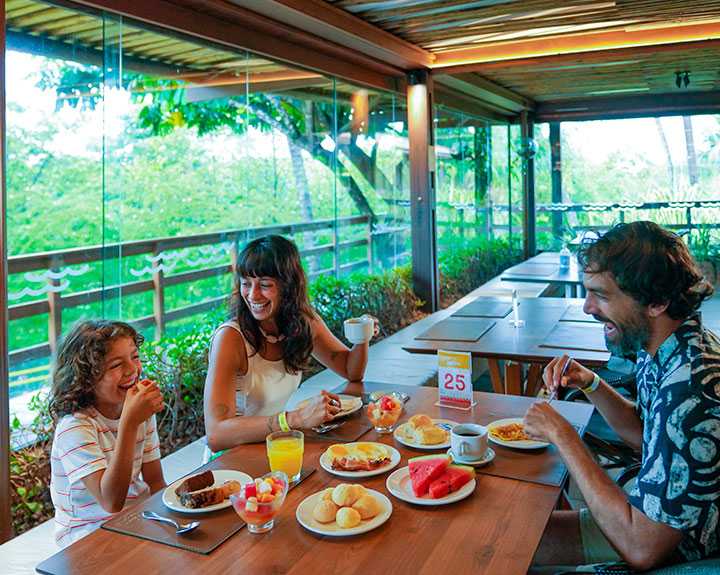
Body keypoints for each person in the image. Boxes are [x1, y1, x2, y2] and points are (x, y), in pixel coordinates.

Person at [524, 221, 719, 572]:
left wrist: (564, 435)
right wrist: (591, 382)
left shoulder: (692, 391)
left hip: (681, 549)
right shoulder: (664, 345)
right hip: (653, 512)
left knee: (513, 543)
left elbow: (644, 548)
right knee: (520, 529)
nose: (587, 307)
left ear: (656, 301)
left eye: (601, 294)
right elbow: (646, 435)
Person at [204, 235, 377, 455]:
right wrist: (295, 419)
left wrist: (362, 335)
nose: (252, 295)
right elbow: (216, 435)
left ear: (288, 286)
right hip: (232, 460)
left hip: (276, 446)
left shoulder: (302, 321)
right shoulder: (230, 338)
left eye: (265, 285)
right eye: (246, 284)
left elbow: (351, 371)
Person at [48, 320, 166, 548]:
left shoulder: (137, 409)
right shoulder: (75, 427)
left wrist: (173, 517)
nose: (132, 370)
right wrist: (130, 424)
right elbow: (111, 502)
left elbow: (155, 480)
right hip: (87, 537)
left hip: (137, 520)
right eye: (116, 365)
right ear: (86, 378)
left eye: (135, 356)